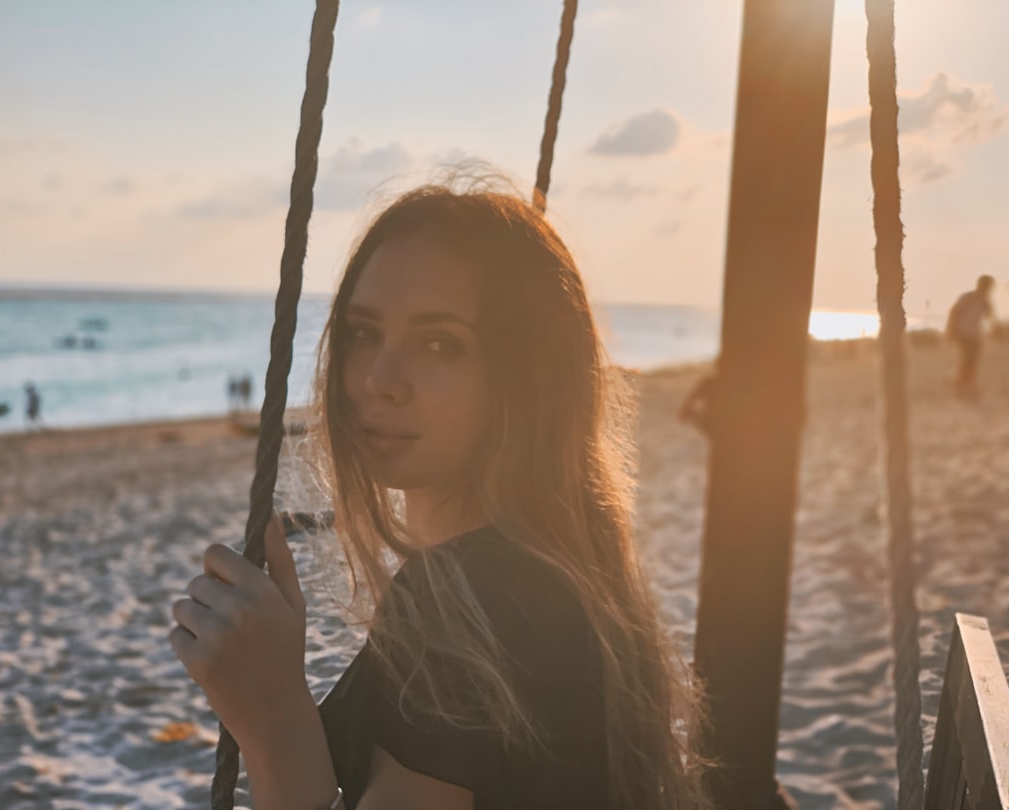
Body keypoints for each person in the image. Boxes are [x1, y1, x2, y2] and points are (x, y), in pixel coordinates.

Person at [169, 181, 708, 810]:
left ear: (523, 380)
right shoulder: (560, 575)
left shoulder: (471, 606)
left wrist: (275, 725)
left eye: (439, 344)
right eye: (364, 334)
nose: (379, 381)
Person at [945, 275, 996, 398]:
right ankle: (962, 387)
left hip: (974, 335)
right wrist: (951, 329)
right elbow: (954, 311)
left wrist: (996, 331)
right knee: (967, 360)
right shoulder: (968, 297)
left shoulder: (984, 300)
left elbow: (990, 317)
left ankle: (966, 385)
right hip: (963, 333)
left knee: (972, 361)